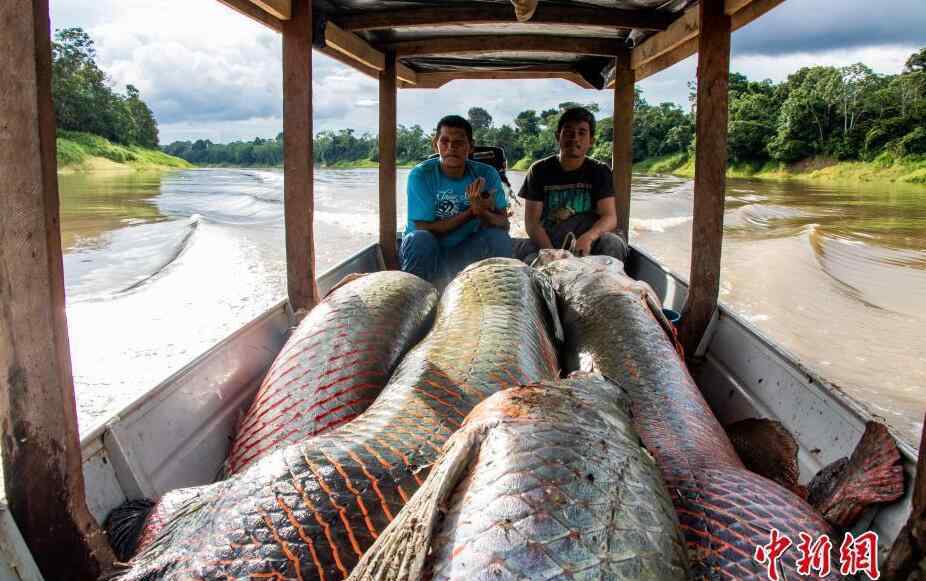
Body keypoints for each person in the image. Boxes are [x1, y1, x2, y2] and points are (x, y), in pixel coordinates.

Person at [401, 115, 512, 286]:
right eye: (445, 141)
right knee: (419, 238)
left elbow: (504, 224)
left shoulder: (488, 174)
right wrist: (472, 212)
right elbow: (424, 228)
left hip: (464, 251)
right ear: (435, 144)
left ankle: (498, 298)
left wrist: (482, 212)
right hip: (427, 252)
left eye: (459, 142)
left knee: (498, 238)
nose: (451, 148)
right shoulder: (421, 175)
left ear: (471, 147)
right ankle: (417, 294)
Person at [513, 106, 628, 264]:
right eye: (568, 132)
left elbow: (609, 216)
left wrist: (588, 237)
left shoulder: (600, 171)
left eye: (582, 133)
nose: (575, 138)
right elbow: (532, 224)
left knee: (612, 243)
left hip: (590, 239)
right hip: (551, 241)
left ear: (591, 141)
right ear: (557, 136)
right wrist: (553, 255)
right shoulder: (539, 170)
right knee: (528, 260)